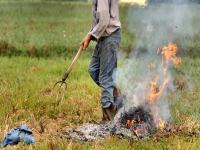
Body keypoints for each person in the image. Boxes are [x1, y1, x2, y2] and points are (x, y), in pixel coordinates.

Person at [81, 0, 123, 122]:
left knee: (105, 78)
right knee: (93, 70)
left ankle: (108, 119)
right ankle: (118, 98)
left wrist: (90, 36)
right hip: (103, 36)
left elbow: (104, 20)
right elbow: (99, 19)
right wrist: (91, 33)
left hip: (109, 36)